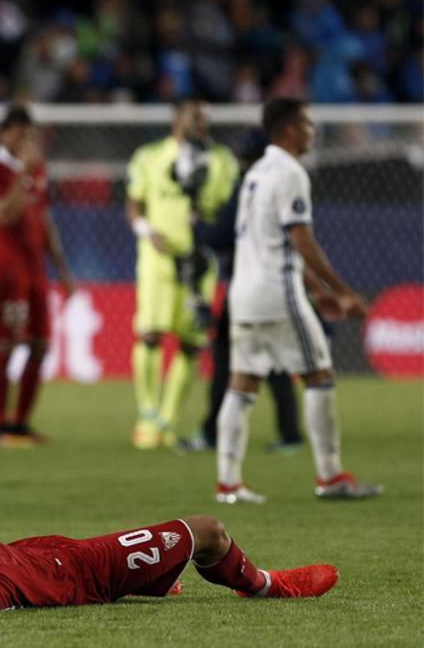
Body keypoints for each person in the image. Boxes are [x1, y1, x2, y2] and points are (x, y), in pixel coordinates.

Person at [0, 476, 339, 615]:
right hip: (77, 573)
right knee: (208, 530)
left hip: (34, 555)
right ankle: (267, 586)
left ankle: (156, 582)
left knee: (161, 558)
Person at [215, 98, 382, 503]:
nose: (313, 131)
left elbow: (266, 245)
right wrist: (341, 291)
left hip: (244, 293)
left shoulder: (255, 172)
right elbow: (299, 239)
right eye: (307, 124)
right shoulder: (291, 172)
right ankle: (330, 476)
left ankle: (228, 483)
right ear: (289, 129)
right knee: (319, 374)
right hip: (278, 293)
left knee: (242, 383)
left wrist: (318, 291)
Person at [126, 97, 239, 450]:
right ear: (178, 119)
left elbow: (229, 208)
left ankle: (168, 420)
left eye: (205, 118)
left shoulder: (222, 160)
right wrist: (146, 230)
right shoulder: (149, 156)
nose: (201, 124)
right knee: (151, 334)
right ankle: (147, 415)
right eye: (195, 117)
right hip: (159, 257)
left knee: (191, 343)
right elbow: (134, 203)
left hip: (201, 260)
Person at [188, 130, 302, 455]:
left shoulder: (249, 188)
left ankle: (212, 433)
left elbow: (222, 235)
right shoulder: (280, 184)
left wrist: (198, 225)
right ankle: (290, 433)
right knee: (277, 362)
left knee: (225, 361)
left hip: (249, 287)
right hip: (275, 283)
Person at [0, 105, 74, 447]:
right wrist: (22, 174)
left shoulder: (37, 170)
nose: (25, 140)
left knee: (41, 345)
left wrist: (62, 270)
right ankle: (2, 427)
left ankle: (21, 424)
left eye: (28, 134)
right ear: (2, 133)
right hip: (6, 272)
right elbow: (3, 216)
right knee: (8, 344)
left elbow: (43, 219)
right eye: (18, 133)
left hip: (35, 273)